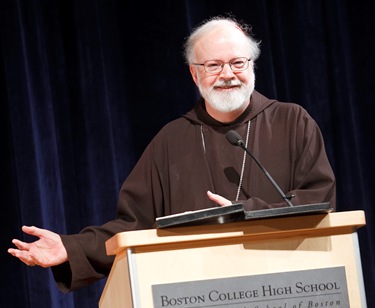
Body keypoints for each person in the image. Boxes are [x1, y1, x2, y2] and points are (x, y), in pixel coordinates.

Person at [8, 15, 336, 292]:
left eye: (238, 62)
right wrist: (72, 248)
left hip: (287, 286)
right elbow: (135, 224)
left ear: (252, 66)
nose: (227, 74)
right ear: (195, 74)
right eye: (213, 65)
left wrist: (247, 213)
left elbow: (319, 201)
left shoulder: (293, 122)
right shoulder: (172, 140)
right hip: (200, 294)